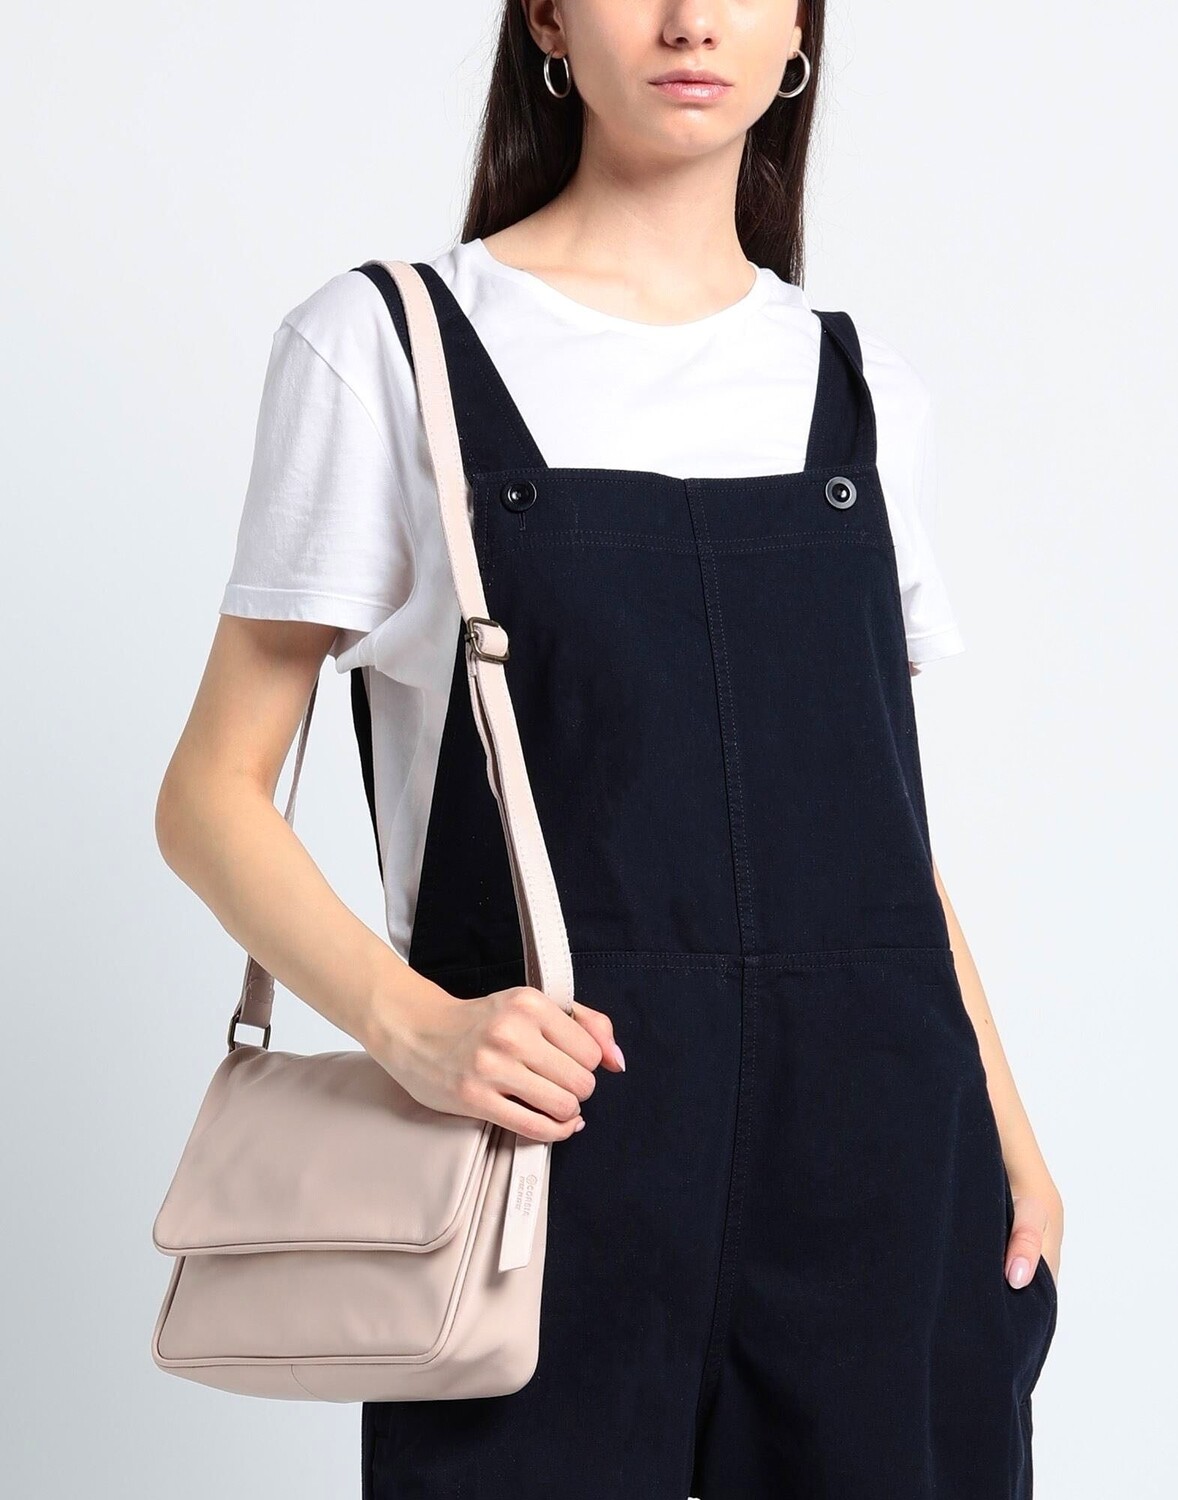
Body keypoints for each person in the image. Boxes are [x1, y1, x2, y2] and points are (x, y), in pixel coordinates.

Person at [155, 2, 1064, 1495]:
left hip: (885, 1161)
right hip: (543, 1158)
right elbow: (208, 796)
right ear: (549, 19)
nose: (691, 19)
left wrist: (1009, 1136)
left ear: (798, 35)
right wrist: (413, 1029)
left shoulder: (861, 390)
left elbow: (882, 837)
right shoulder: (387, 345)